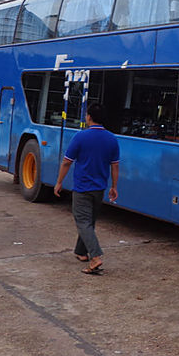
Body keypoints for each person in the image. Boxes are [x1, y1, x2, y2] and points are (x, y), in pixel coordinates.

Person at [54, 103, 120, 275]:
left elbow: (67, 161)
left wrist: (59, 182)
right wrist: (114, 186)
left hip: (82, 188)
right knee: (89, 221)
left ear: (89, 117)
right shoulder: (112, 139)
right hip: (100, 188)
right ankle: (81, 252)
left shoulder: (80, 137)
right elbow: (115, 167)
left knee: (83, 221)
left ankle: (96, 257)